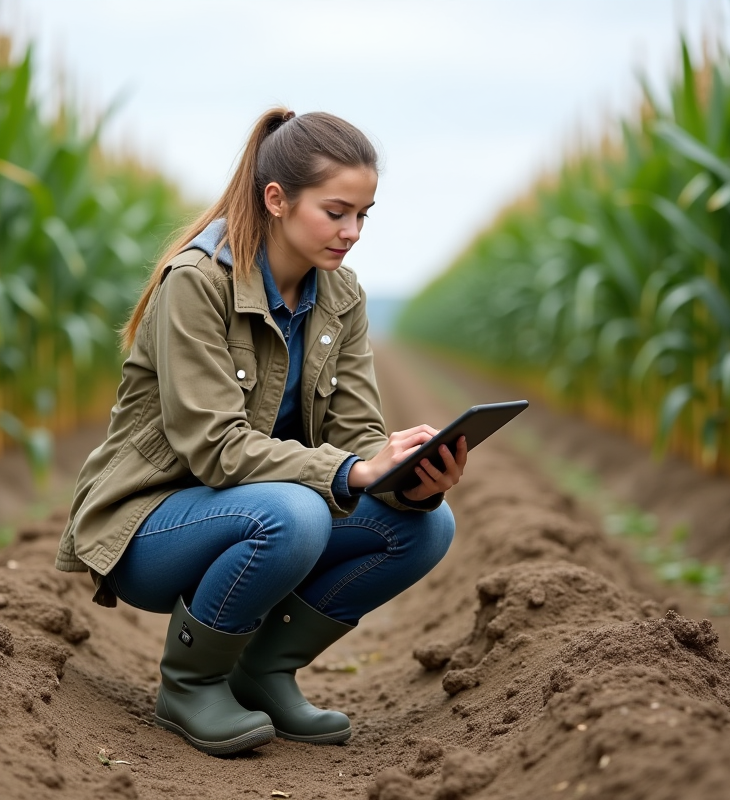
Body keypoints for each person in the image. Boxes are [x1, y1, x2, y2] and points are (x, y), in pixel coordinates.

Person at [55, 108, 467, 757]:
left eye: (364, 214)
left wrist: (405, 479)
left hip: (259, 511)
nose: (352, 231)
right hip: (149, 525)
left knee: (424, 527)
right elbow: (214, 450)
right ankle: (191, 682)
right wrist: (348, 472)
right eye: (336, 212)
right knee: (297, 512)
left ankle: (263, 673)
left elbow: (357, 433)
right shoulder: (197, 282)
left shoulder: (342, 297)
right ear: (276, 199)